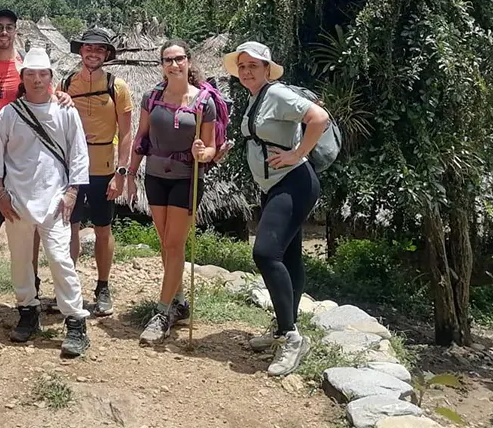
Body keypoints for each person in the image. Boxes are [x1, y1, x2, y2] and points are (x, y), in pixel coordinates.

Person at [224, 40, 329, 377]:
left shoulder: (278, 93)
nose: (246, 71)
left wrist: (298, 154)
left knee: (266, 253)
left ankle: (292, 338)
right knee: (289, 256)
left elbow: (319, 117)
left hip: (294, 182)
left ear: (267, 69)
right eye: (242, 66)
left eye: (253, 66)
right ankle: (285, 329)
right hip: (274, 186)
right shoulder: (256, 98)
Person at [0, 9, 73, 318]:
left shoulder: (25, 68)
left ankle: (31, 291)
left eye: (9, 27)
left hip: (24, 165)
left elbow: (47, 94)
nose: (4, 33)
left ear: (17, 32)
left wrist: (64, 96)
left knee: (30, 226)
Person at [0, 46, 91, 357]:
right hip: (16, 200)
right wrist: (0, 194)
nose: (37, 80)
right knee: (19, 261)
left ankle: (75, 320)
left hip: (55, 200)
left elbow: (78, 155)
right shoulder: (9, 113)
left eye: (43, 74)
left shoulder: (66, 111)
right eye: (31, 74)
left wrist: (71, 192)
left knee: (60, 259)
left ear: (51, 77)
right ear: (23, 77)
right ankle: (28, 312)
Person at [124, 40, 217, 345]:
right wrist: (130, 173)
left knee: (175, 245)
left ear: (189, 62)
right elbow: (141, 137)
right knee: (165, 243)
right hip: (154, 176)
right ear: (161, 64)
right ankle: (178, 301)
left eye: (179, 59)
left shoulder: (204, 103)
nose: (174, 65)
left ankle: (162, 313)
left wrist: (202, 153)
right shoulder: (152, 97)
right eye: (168, 60)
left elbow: (211, 148)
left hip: (186, 179)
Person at [64, 26, 134, 316]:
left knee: (103, 229)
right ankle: (69, 288)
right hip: (73, 169)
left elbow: (127, 133)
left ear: (106, 54)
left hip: (105, 167)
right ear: (81, 51)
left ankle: (102, 287)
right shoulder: (67, 83)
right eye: (88, 47)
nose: (93, 52)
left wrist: (121, 172)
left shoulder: (118, 87)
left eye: (99, 49)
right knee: (71, 228)